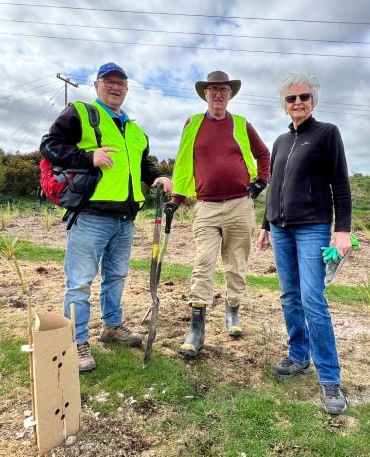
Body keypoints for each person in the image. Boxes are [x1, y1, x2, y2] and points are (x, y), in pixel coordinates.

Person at [40, 62, 172, 372]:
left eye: (121, 83)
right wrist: (88, 157)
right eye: (109, 82)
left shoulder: (136, 130)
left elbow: (144, 167)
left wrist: (159, 177)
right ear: (98, 85)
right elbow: (49, 146)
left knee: (116, 277)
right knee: (80, 283)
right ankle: (76, 340)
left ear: (127, 88)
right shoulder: (81, 113)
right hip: (90, 214)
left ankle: (112, 326)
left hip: (125, 218)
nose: (116, 87)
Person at [256, 72, 352, 415]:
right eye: (291, 98)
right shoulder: (281, 141)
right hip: (280, 229)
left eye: (304, 97)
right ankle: (299, 356)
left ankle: (330, 378)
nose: (298, 103)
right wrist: (265, 225)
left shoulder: (327, 134)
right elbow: (274, 186)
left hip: (312, 227)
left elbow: (340, 184)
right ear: (284, 105)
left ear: (313, 101)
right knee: (289, 296)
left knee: (313, 299)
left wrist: (343, 230)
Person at [166, 71, 271, 358]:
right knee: (203, 262)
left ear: (230, 94)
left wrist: (261, 180)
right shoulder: (193, 123)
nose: (218, 95)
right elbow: (184, 162)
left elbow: (264, 155)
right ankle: (197, 330)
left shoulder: (241, 124)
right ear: (205, 94)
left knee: (236, 264)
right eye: (213, 90)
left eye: (223, 90)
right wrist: (176, 198)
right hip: (207, 207)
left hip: (240, 204)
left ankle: (232, 313)